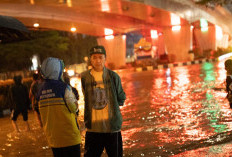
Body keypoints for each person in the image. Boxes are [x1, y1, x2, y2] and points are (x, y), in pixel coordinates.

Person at [81, 45, 126, 157]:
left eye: (100, 57)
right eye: (94, 57)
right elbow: (86, 96)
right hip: (93, 129)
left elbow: (121, 97)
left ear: (105, 58)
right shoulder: (85, 77)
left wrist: (113, 108)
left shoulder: (113, 76)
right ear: (90, 59)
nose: (98, 60)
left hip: (111, 128)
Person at [37, 57, 81, 157]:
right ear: (57, 70)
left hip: (53, 139)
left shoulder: (40, 92)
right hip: (69, 137)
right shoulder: (64, 88)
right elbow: (74, 108)